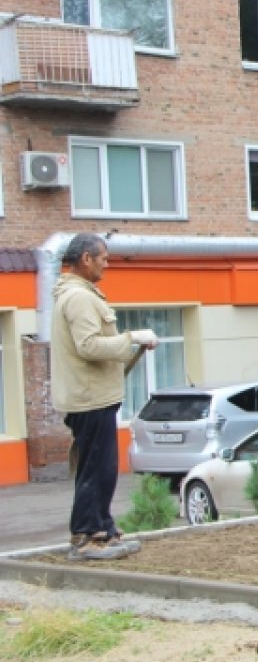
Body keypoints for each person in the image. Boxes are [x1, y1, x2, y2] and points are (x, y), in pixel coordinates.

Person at [51, 233, 159, 561]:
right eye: (103, 259)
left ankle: (104, 531)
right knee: (95, 469)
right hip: (89, 398)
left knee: (103, 468)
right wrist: (132, 338)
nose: (106, 265)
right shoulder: (79, 298)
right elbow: (89, 346)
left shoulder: (80, 294)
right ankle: (86, 537)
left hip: (93, 396)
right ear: (86, 258)